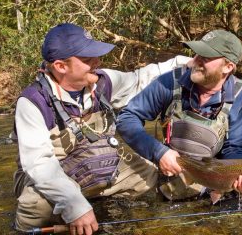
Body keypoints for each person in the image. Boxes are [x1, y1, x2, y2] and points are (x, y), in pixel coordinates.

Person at [12, 23, 190, 234]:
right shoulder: (32, 102)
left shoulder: (102, 81)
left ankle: (105, 206)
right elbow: (40, 165)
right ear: (60, 66)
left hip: (94, 164)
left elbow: (139, 79)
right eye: (88, 60)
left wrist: (184, 63)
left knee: (150, 175)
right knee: (36, 207)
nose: (97, 62)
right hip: (52, 173)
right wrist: (75, 206)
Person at [116, 29, 242, 201]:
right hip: (176, 163)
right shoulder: (169, 82)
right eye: (197, 54)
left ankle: (228, 193)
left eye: (205, 58)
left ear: (228, 67)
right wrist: (158, 152)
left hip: (216, 166)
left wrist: (238, 176)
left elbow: (234, 148)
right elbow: (126, 117)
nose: (195, 61)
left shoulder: (241, 98)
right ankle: (189, 190)